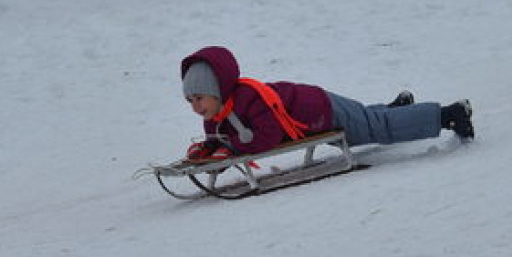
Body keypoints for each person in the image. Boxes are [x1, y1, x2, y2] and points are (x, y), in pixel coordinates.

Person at [179, 45, 473, 161]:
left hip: (320, 111)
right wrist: (208, 151)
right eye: (190, 100)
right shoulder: (216, 115)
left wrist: (230, 149)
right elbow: (219, 141)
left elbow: (265, 137)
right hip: (314, 111)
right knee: (368, 119)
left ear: (219, 91)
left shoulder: (249, 99)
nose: (196, 106)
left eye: (200, 98)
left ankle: (448, 115)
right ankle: (399, 108)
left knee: (377, 129)